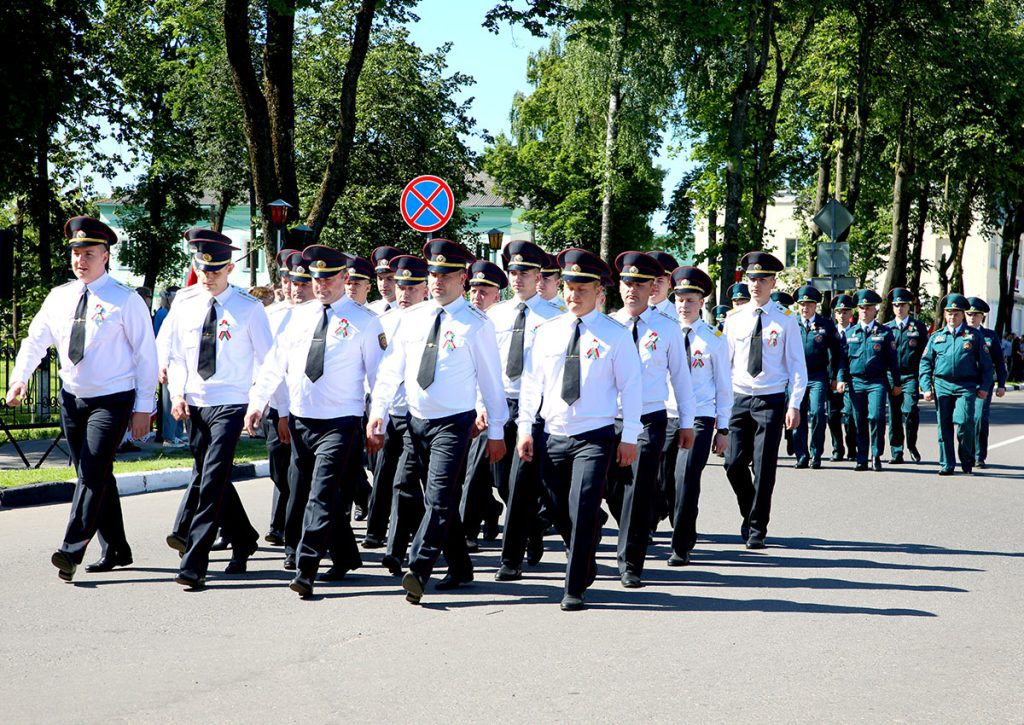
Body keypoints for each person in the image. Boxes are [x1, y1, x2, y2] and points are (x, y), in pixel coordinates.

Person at [6, 216, 157, 581]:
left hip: (112, 400)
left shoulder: (125, 300)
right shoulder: (59, 297)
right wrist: (19, 378)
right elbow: (34, 341)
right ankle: (117, 548)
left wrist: (143, 408)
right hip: (73, 398)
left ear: (106, 256)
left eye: (89, 253)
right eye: (76, 253)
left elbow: (146, 356)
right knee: (96, 473)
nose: (81, 260)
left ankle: (71, 550)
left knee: (90, 472)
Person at [367, 239, 508, 605]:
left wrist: (496, 431)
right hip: (415, 421)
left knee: (441, 497)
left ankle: (419, 567)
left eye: (446, 276)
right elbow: (391, 370)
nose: (437, 282)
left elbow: (492, 383)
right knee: (414, 492)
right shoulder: (412, 319)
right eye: (433, 274)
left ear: (462, 278)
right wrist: (378, 411)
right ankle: (460, 566)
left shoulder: (476, 325)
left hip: (453, 423)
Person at [246, 244, 385, 597]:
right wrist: (258, 403)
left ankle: (306, 567)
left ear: (344, 278)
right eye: (317, 279)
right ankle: (345, 555)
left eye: (329, 279)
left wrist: (377, 417)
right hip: (302, 420)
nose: (321, 285)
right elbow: (275, 364)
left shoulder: (365, 321)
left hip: (341, 422)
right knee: (311, 492)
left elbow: (379, 375)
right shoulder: (298, 316)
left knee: (321, 495)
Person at [516, 248, 642, 611]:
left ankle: (573, 587)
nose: (573, 296)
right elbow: (531, 384)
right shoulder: (548, 332)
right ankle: (585, 560)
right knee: (558, 510)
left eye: (581, 290)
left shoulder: (615, 335)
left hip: (595, 437)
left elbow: (631, 388)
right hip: (553, 435)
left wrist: (630, 436)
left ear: (599, 292)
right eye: (569, 288)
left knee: (583, 505)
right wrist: (526, 428)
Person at [165, 229, 273, 588]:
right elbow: (177, 355)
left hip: (232, 403)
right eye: (202, 268)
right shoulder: (184, 302)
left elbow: (267, 361)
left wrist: (257, 404)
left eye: (215, 270)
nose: (208, 276)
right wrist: (177, 393)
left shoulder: (249, 307)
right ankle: (243, 538)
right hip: (195, 402)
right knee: (213, 475)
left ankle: (195, 560)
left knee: (211, 480)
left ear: (229, 268)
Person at [606, 252, 695, 588]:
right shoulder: (608, 325)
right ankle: (628, 529)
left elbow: (681, 379)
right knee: (613, 489)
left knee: (637, 488)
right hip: (609, 418)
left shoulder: (667, 329)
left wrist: (686, 422)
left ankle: (630, 562)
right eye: (627, 283)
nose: (632, 289)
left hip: (649, 417)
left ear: (651, 287)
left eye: (639, 284)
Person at [722, 251, 806, 549]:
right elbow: (724, 365)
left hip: (770, 400)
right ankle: (750, 511)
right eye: (752, 279)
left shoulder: (786, 321)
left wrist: (794, 403)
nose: (755, 284)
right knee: (732, 463)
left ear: (773, 282)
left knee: (764, 466)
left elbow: (797, 365)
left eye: (762, 279)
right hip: (739, 397)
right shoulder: (734, 319)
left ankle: (757, 528)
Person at [363, 255, 429, 560]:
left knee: (417, 485)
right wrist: (378, 412)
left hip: (425, 417)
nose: (404, 293)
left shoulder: (435, 321)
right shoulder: (384, 322)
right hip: (393, 413)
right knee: (393, 478)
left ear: (425, 288)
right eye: (400, 286)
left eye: (412, 287)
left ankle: (400, 548)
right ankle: (390, 544)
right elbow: (381, 373)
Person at [668, 266, 732, 565]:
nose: (683, 305)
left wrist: (724, 428)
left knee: (686, 479)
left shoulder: (714, 338)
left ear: (701, 302)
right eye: (679, 298)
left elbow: (724, 385)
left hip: (700, 417)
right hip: (665, 414)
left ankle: (681, 544)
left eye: (690, 300)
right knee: (663, 482)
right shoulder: (664, 331)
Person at [460, 258, 513, 553]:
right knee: (472, 470)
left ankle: (504, 512)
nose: (476, 297)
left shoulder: (501, 321)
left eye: (484, 292)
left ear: (497, 295)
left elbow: (495, 373)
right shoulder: (464, 321)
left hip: (499, 404)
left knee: (504, 477)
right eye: (473, 290)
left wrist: (488, 407)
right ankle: (469, 529)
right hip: (467, 406)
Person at [260, 250, 308, 547]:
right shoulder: (269, 315)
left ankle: (285, 528)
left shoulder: (319, 314)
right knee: (280, 467)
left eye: (299, 282)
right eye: (288, 281)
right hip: (276, 404)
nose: (292, 288)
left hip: (308, 407)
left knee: (301, 470)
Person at [919, 294, 994, 475]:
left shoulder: (974, 336)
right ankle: (947, 463)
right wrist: (926, 387)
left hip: (965, 385)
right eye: (949, 313)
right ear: (945, 315)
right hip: (943, 385)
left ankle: (966, 457)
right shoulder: (937, 337)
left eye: (956, 314)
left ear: (962, 315)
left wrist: (984, 387)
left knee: (964, 422)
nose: (952, 317)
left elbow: (986, 365)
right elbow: (925, 362)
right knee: (943, 425)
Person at [837, 289, 901, 472]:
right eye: (862, 308)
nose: (865, 311)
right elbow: (843, 360)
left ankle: (876, 454)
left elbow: (892, 361)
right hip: (856, 382)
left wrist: (896, 383)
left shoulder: (885, 333)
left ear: (875, 310)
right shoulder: (850, 334)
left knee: (876, 416)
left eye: (869, 307)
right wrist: (841, 379)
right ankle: (862, 457)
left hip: (877, 382)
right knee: (858, 420)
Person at [792, 285, 844, 469]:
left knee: (817, 413)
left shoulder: (826, 324)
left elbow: (838, 352)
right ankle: (801, 455)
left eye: (809, 304)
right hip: (797, 377)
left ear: (815, 306)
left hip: (817, 376)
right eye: (802, 304)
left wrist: (837, 377)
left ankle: (816, 453)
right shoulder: (792, 323)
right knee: (797, 415)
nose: (805, 308)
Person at [886, 288, 930, 463]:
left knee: (910, 410)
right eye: (896, 305)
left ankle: (911, 444)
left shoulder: (918, 327)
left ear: (908, 306)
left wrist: (924, 378)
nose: (899, 308)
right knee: (895, 414)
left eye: (902, 305)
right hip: (891, 376)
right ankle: (897, 451)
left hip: (910, 375)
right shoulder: (887, 328)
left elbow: (924, 354)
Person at [966, 297, 1007, 468]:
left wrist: (1002, 384)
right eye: (969, 314)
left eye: (976, 315)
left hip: (984, 383)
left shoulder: (990, 336)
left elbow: (999, 361)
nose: (972, 318)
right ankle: (965, 452)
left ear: (982, 316)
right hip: (964, 383)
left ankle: (978, 455)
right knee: (964, 419)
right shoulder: (960, 334)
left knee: (979, 418)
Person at [827, 294, 858, 461]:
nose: (842, 315)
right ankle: (837, 449)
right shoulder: (829, 332)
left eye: (845, 311)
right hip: (832, 380)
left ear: (851, 313)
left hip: (851, 380)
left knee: (850, 417)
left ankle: (852, 448)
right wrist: (831, 378)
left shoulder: (856, 331)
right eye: (839, 311)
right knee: (832, 416)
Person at [154, 286, 186, 447]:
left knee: (179, 399)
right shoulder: (164, 314)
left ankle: (177, 433)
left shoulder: (173, 313)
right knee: (168, 402)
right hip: (169, 361)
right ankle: (169, 436)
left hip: (179, 361)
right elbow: (162, 339)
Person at [367, 245, 405, 315]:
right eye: (380, 279)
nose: (384, 284)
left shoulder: (408, 310)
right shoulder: (370, 310)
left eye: (390, 279)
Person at [647, 251, 680, 320]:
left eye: (660, 280)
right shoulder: (633, 313)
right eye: (650, 280)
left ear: (670, 284)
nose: (654, 284)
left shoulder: (679, 317)